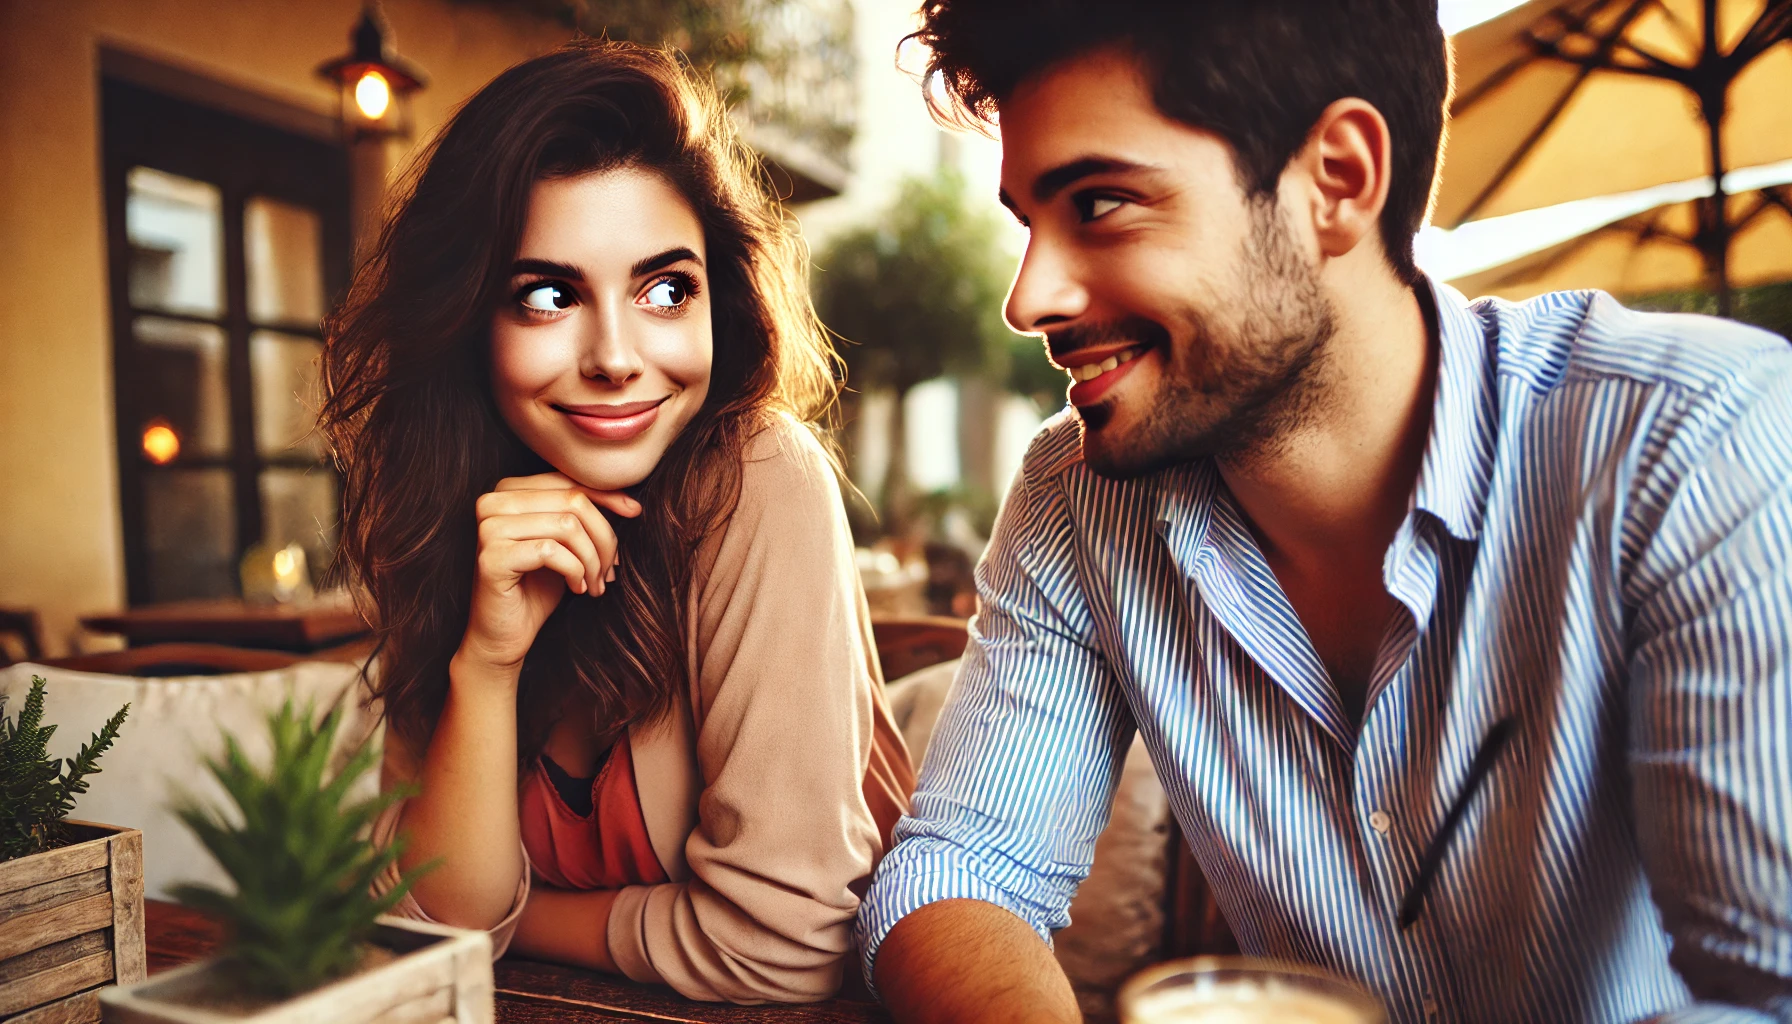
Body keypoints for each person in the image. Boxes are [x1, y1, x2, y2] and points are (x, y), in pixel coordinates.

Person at [859, 2, 1792, 1022]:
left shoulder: (1693, 439)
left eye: (1100, 204)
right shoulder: (1077, 494)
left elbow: (1765, 991)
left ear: (1336, 180)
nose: (1028, 295)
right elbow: (959, 869)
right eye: (1027, 221)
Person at [320, 41, 914, 1004]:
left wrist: (522, 922)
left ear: (719, 296)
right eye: (549, 296)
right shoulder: (444, 518)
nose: (615, 357)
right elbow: (420, 926)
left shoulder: (757, 478)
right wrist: (487, 662)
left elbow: (787, 943)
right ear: (470, 319)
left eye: (665, 288)